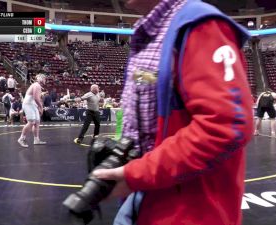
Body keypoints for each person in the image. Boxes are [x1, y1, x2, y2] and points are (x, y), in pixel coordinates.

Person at [91, 0, 253, 225]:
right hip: (148, 197)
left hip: (186, 210)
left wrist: (137, 173)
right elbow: (159, 91)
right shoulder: (155, 33)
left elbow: (226, 124)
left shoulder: (200, 26)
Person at [18, 74, 46, 147]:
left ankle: (36, 140)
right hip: (28, 104)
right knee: (31, 122)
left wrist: (38, 106)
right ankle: (21, 139)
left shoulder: (37, 85)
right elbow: (36, 98)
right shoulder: (37, 85)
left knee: (37, 122)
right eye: (44, 78)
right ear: (40, 79)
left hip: (32, 104)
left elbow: (36, 98)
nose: (45, 80)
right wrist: (41, 107)